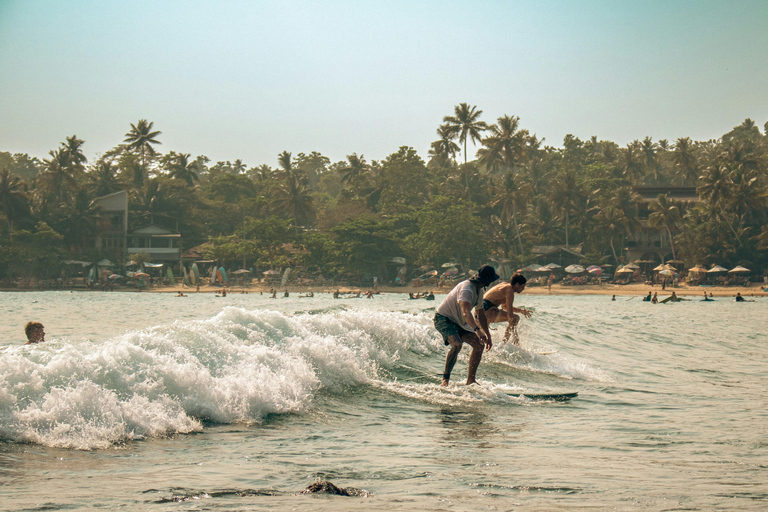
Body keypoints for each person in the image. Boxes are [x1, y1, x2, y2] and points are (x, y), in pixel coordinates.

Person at [434, 265, 499, 387]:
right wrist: (477, 330)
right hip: (444, 318)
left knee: (479, 344)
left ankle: (471, 380)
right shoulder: (467, 289)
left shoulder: (479, 290)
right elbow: (466, 313)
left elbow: (481, 314)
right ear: (486, 281)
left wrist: (488, 335)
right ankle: (445, 380)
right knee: (457, 345)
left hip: (459, 322)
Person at [477, 273, 531, 345]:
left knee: (481, 340)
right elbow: (510, 314)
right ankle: (504, 343)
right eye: (522, 286)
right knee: (515, 318)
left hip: (479, 311)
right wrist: (515, 336)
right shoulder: (509, 291)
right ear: (517, 284)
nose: (523, 289)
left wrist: (521, 311)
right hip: (487, 311)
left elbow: (504, 307)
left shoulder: (505, 286)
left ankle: (503, 344)